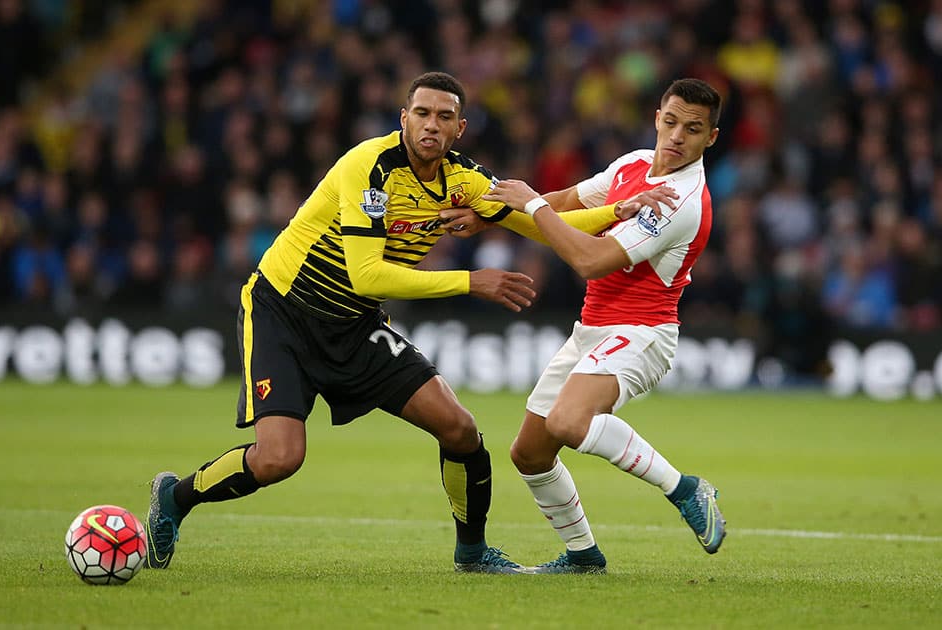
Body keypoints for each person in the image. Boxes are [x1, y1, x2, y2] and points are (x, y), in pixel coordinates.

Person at [145, 72, 634, 575]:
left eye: (444, 117)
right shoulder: (368, 167)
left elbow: (542, 224)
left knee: (460, 429)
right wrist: (471, 281)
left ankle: (472, 555)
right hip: (285, 313)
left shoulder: (463, 180)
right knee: (278, 458)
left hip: (354, 325)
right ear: (404, 118)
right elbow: (366, 273)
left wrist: (622, 212)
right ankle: (175, 498)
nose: (431, 125)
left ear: (459, 129)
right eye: (422, 114)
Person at [460, 77, 727, 573]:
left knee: (567, 422)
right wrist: (491, 216)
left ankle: (686, 488)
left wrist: (531, 204)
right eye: (670, 122)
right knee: (530, 453)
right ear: (656, 117)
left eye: (692, 129)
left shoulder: (681, 200)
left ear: (709, 138)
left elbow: (590, 260)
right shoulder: (631, 164)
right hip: (591, 330)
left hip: (643, 333)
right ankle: (584, 556)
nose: (676, 137)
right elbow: (564, 203)